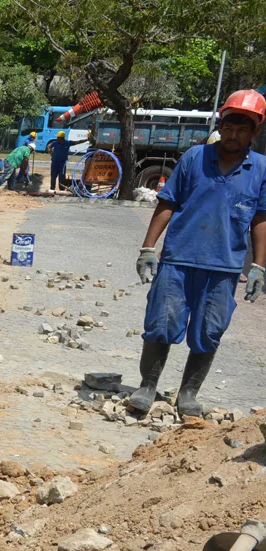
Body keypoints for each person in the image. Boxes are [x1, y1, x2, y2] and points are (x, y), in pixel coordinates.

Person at [128, 89, 266, 418]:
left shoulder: (261, 169)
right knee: (161, 323)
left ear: (255, 132)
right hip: (178, 260)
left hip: (224, 267)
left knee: (210, 331)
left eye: (243, 129)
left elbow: (261, 218)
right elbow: (167, 202)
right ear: (221, 125)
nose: (234, 135)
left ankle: (188, 393)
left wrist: (259, 265)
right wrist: (149, 247)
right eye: (230, 127)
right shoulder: (194, 158)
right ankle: (147, 386)